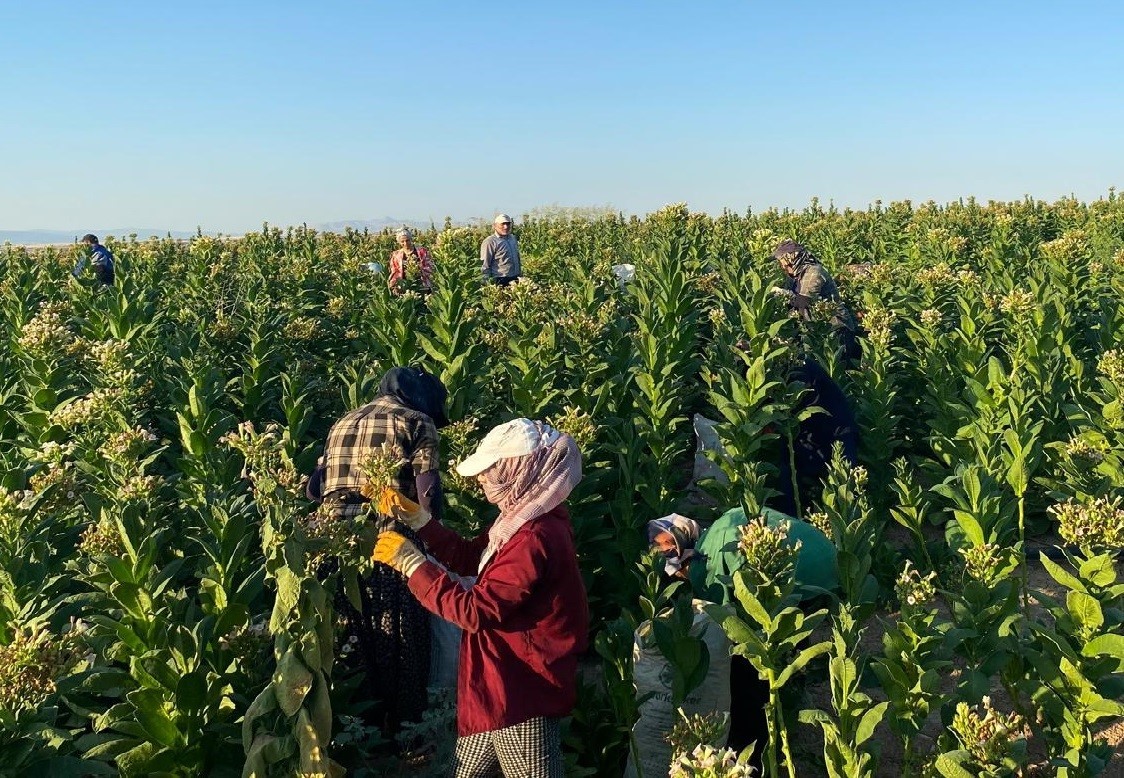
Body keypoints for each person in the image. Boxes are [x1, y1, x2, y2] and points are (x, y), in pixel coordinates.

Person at [373, 418, 588, 777]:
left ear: (521, 470)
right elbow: (473, 557)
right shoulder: (521, 519)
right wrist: (421, 521)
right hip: (493, 683)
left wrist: (413, 566)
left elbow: (475, 611)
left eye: (491, 471)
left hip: (519, 689)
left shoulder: (534, 536)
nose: (482, 480)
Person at [311, 365, 450, 733]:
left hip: (336, 546)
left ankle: (359, 730)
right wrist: (435, 533)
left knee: (352, 640)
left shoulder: (342, 422)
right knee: (403, 643)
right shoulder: (417, 421)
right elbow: (428, 492)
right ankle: (405, 733)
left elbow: (314, 489)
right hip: (391, 546)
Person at [647, 508, 838, 769]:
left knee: (750, 670)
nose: (681, 579)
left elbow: (728, 623)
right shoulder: (718, 530)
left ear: (683, 561)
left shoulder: (704, 566)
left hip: (801, 570)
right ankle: (790, 692)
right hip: (823, 557)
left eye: (677, 574)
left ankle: (758, 749)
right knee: (792, 631)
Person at [773, 357, 859, 518]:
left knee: (845, 484)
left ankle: (843, 521)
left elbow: (803, 392)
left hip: (835, 429)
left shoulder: (798, 365)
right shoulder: (778, 365)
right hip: (805, 435)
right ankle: (793, 519)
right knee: (788, 473)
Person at [770, 239, 858, 361]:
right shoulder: (793, 276)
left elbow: (804, 302)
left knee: (836, 361)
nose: (782, 266)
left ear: (792, 259)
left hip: (835, 327)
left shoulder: (814, 271)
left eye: (783, 262)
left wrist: (782, 293)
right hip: (815, 329)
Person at [387, 227, 434, 293]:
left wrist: (419, 269)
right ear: (399, 242)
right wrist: (394, 285)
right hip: (405, 287)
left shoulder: (422, 251)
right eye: (402, 241)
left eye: (407, 240)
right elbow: (394, 272)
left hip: (423, 286)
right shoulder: (396, 255)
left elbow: (430, 266)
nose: (405, 243)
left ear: (411, 239)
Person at [480, 213, 522, 286]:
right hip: (500, 279)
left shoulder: (512, 238)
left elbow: (517, 257)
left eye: (508, 224)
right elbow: (485, 264)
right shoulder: (490, 241)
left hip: (515, 277)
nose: (506, 227)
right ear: (495, 225)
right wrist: (487, 283)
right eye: (502, 224)